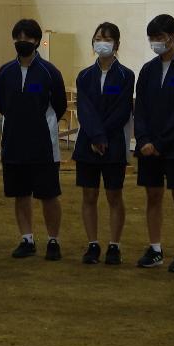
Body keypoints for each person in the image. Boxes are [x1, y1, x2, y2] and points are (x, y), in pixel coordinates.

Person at [0, 19, 69, 261]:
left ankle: (53, 240)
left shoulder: (50, 72)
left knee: (48, 195)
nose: (22, 42)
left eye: (27, 38)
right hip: (14, 143)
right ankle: (26, 239)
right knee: (20, 194)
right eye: (18, 38)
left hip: (43, 145)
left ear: (37, 41)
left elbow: (59, 106)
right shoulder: (5, 72)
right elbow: (1, 104)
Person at [132, 13, 174, 272]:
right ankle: (155, 248)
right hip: (149, 146)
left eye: (159, 37)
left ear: (172, 36)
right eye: (152, 38)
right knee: (153, 196)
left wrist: (160, 142)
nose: (155, 42)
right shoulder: (148, 70)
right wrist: (145, 140)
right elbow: (141, 108)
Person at [74, 22, 132, 266]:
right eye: (98, 38)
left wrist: (103, 136)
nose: (102, 42)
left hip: (113, 143)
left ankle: (114, 245)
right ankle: (93, 244)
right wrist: (96, 136)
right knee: (89, 194)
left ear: (116, 44)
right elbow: (84, 109)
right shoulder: (84, 75)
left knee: (114, 195)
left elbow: (122, 110)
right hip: (88, 142)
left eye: (107, 38)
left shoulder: (126, 75)